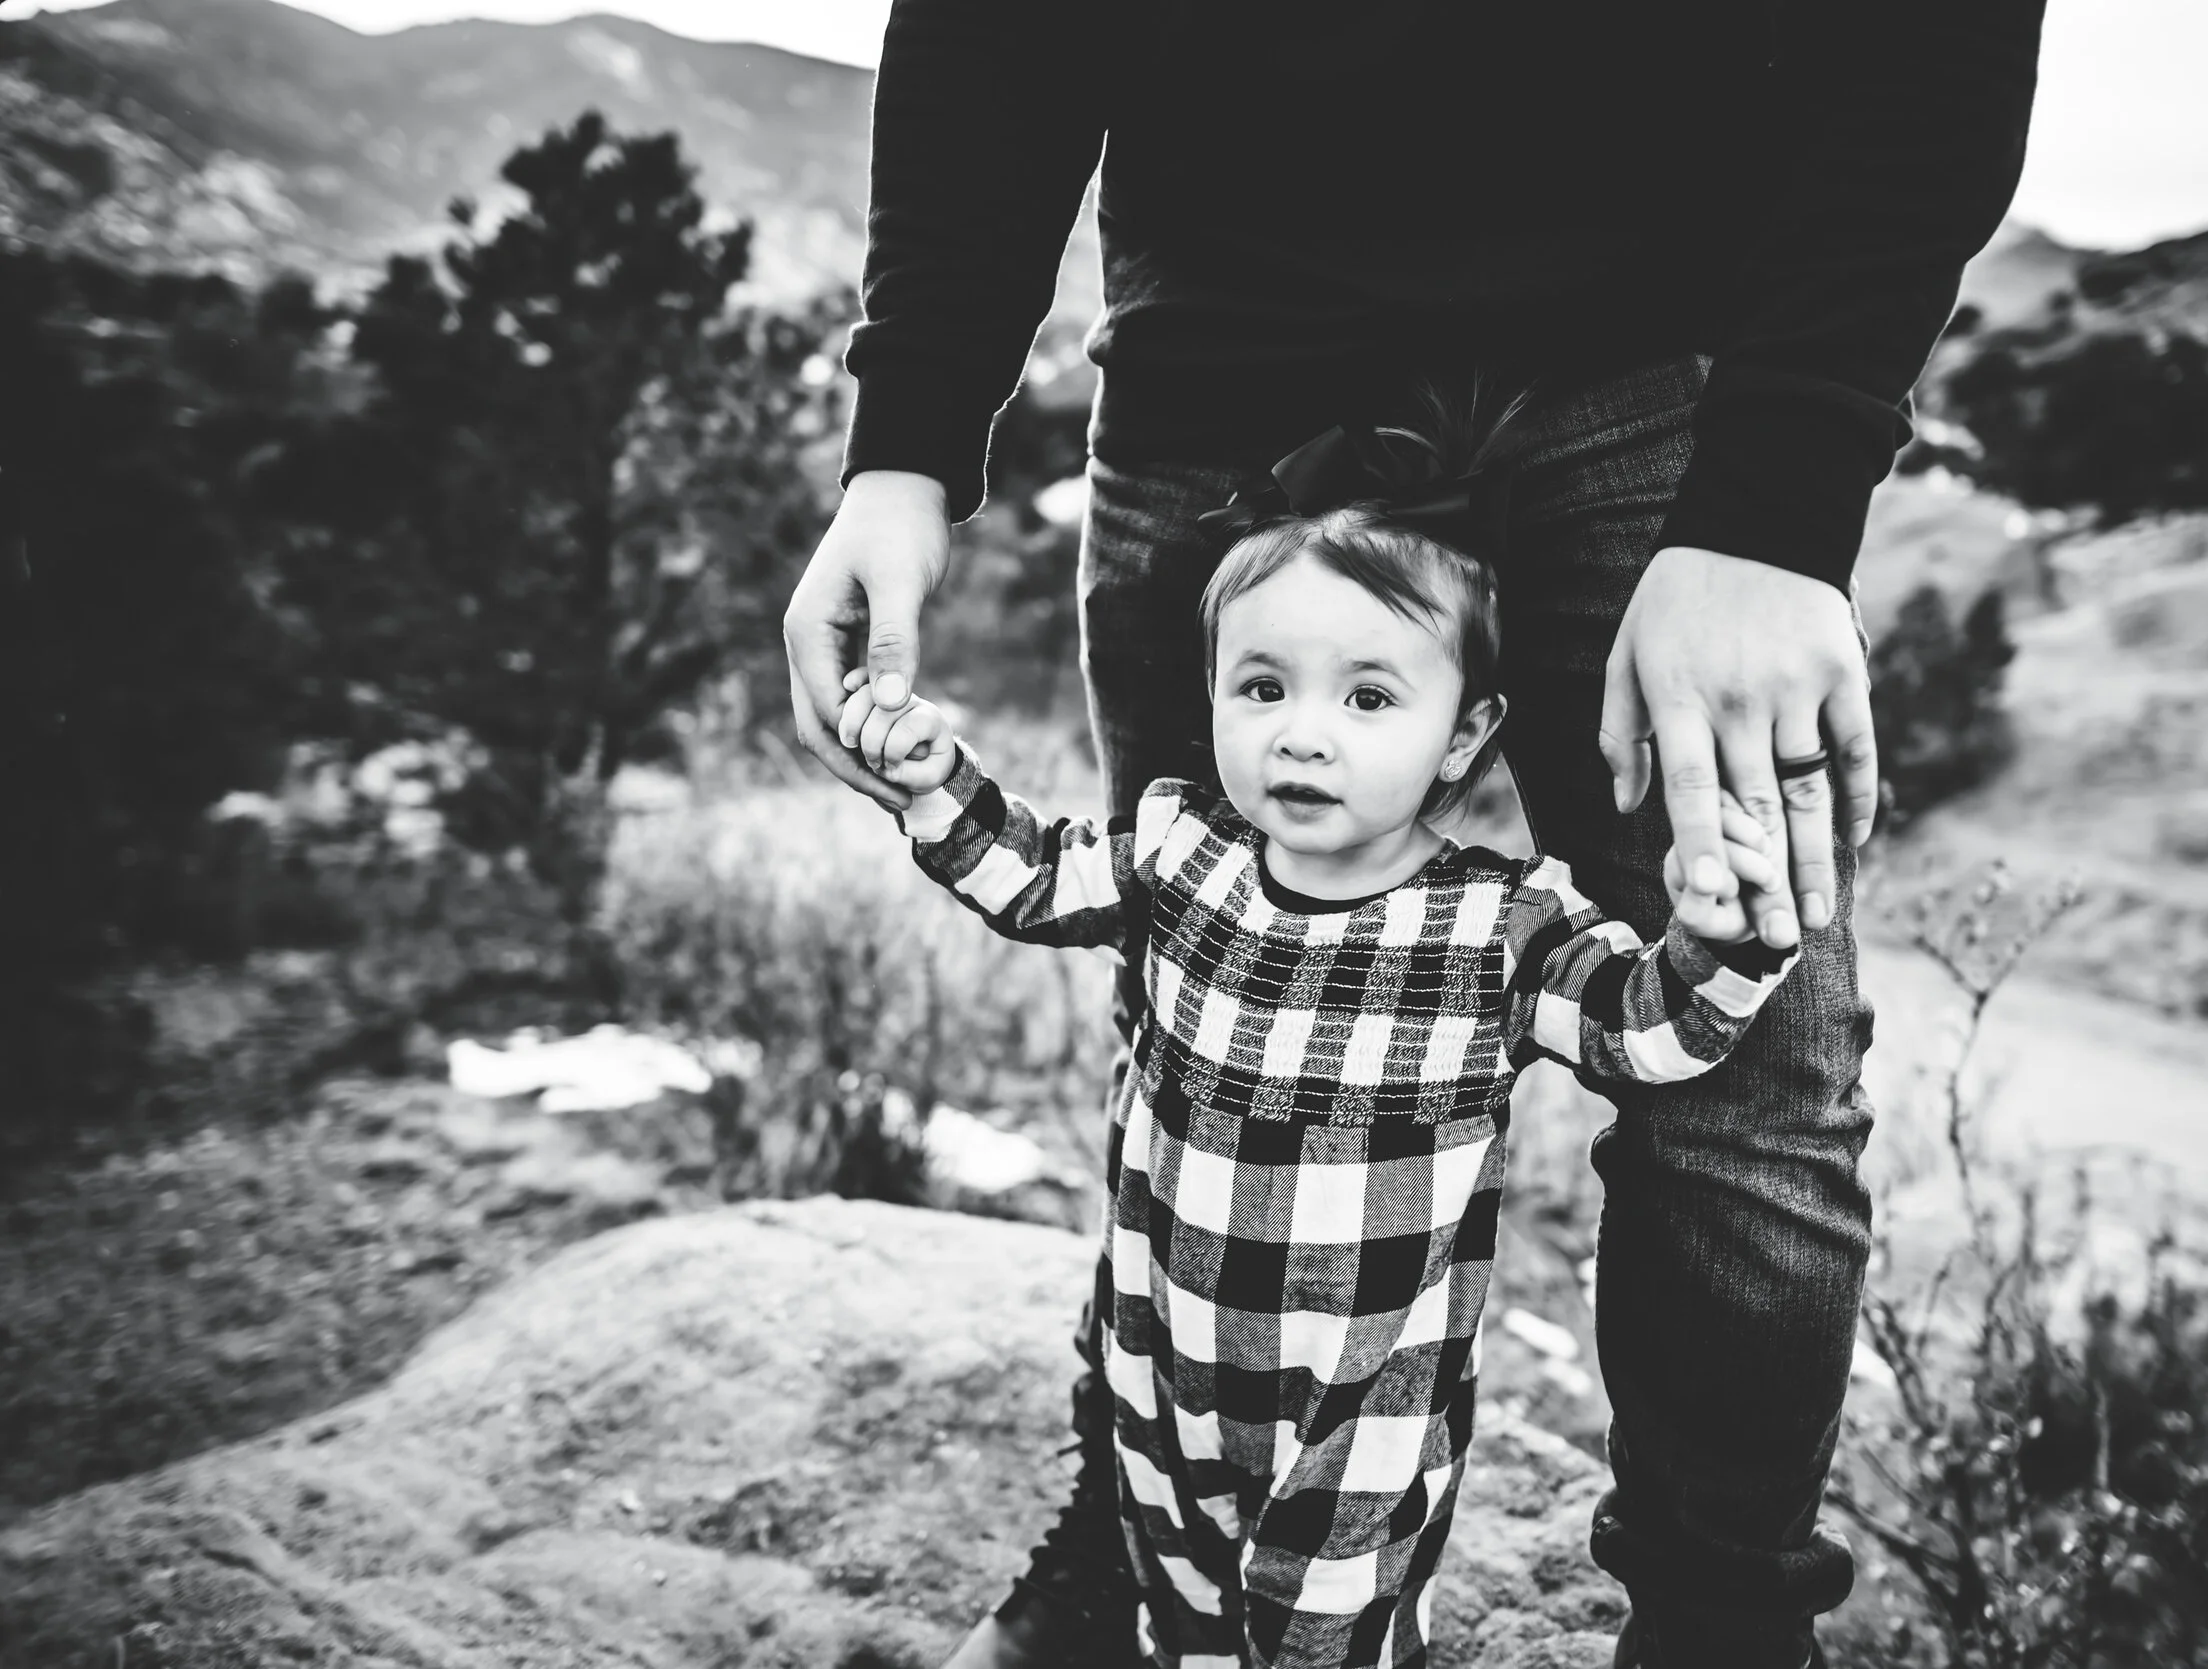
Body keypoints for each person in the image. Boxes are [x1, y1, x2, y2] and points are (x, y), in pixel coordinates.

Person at [785, 6, 2048, 1662]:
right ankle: (1144, 1537)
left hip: (1670, 395)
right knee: (1195, 1017)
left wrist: (1776, 508)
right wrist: (907, 445)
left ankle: (1726, 1628)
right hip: (1226, 376)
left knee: (1754, 1089)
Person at [825, 404, 1798, 1667]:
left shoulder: (1495, 926)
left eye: (1368, 696)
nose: (1302, 730)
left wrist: (1721, 940)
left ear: (1463, 734)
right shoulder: (1183, 855)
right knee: (1178, 1617)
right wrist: (932, 782)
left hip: (1356, 1420)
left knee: (1324, 1641)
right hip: (1163, 1371)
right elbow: (1032, 875)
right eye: (1263, 686)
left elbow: (1647, 1036)